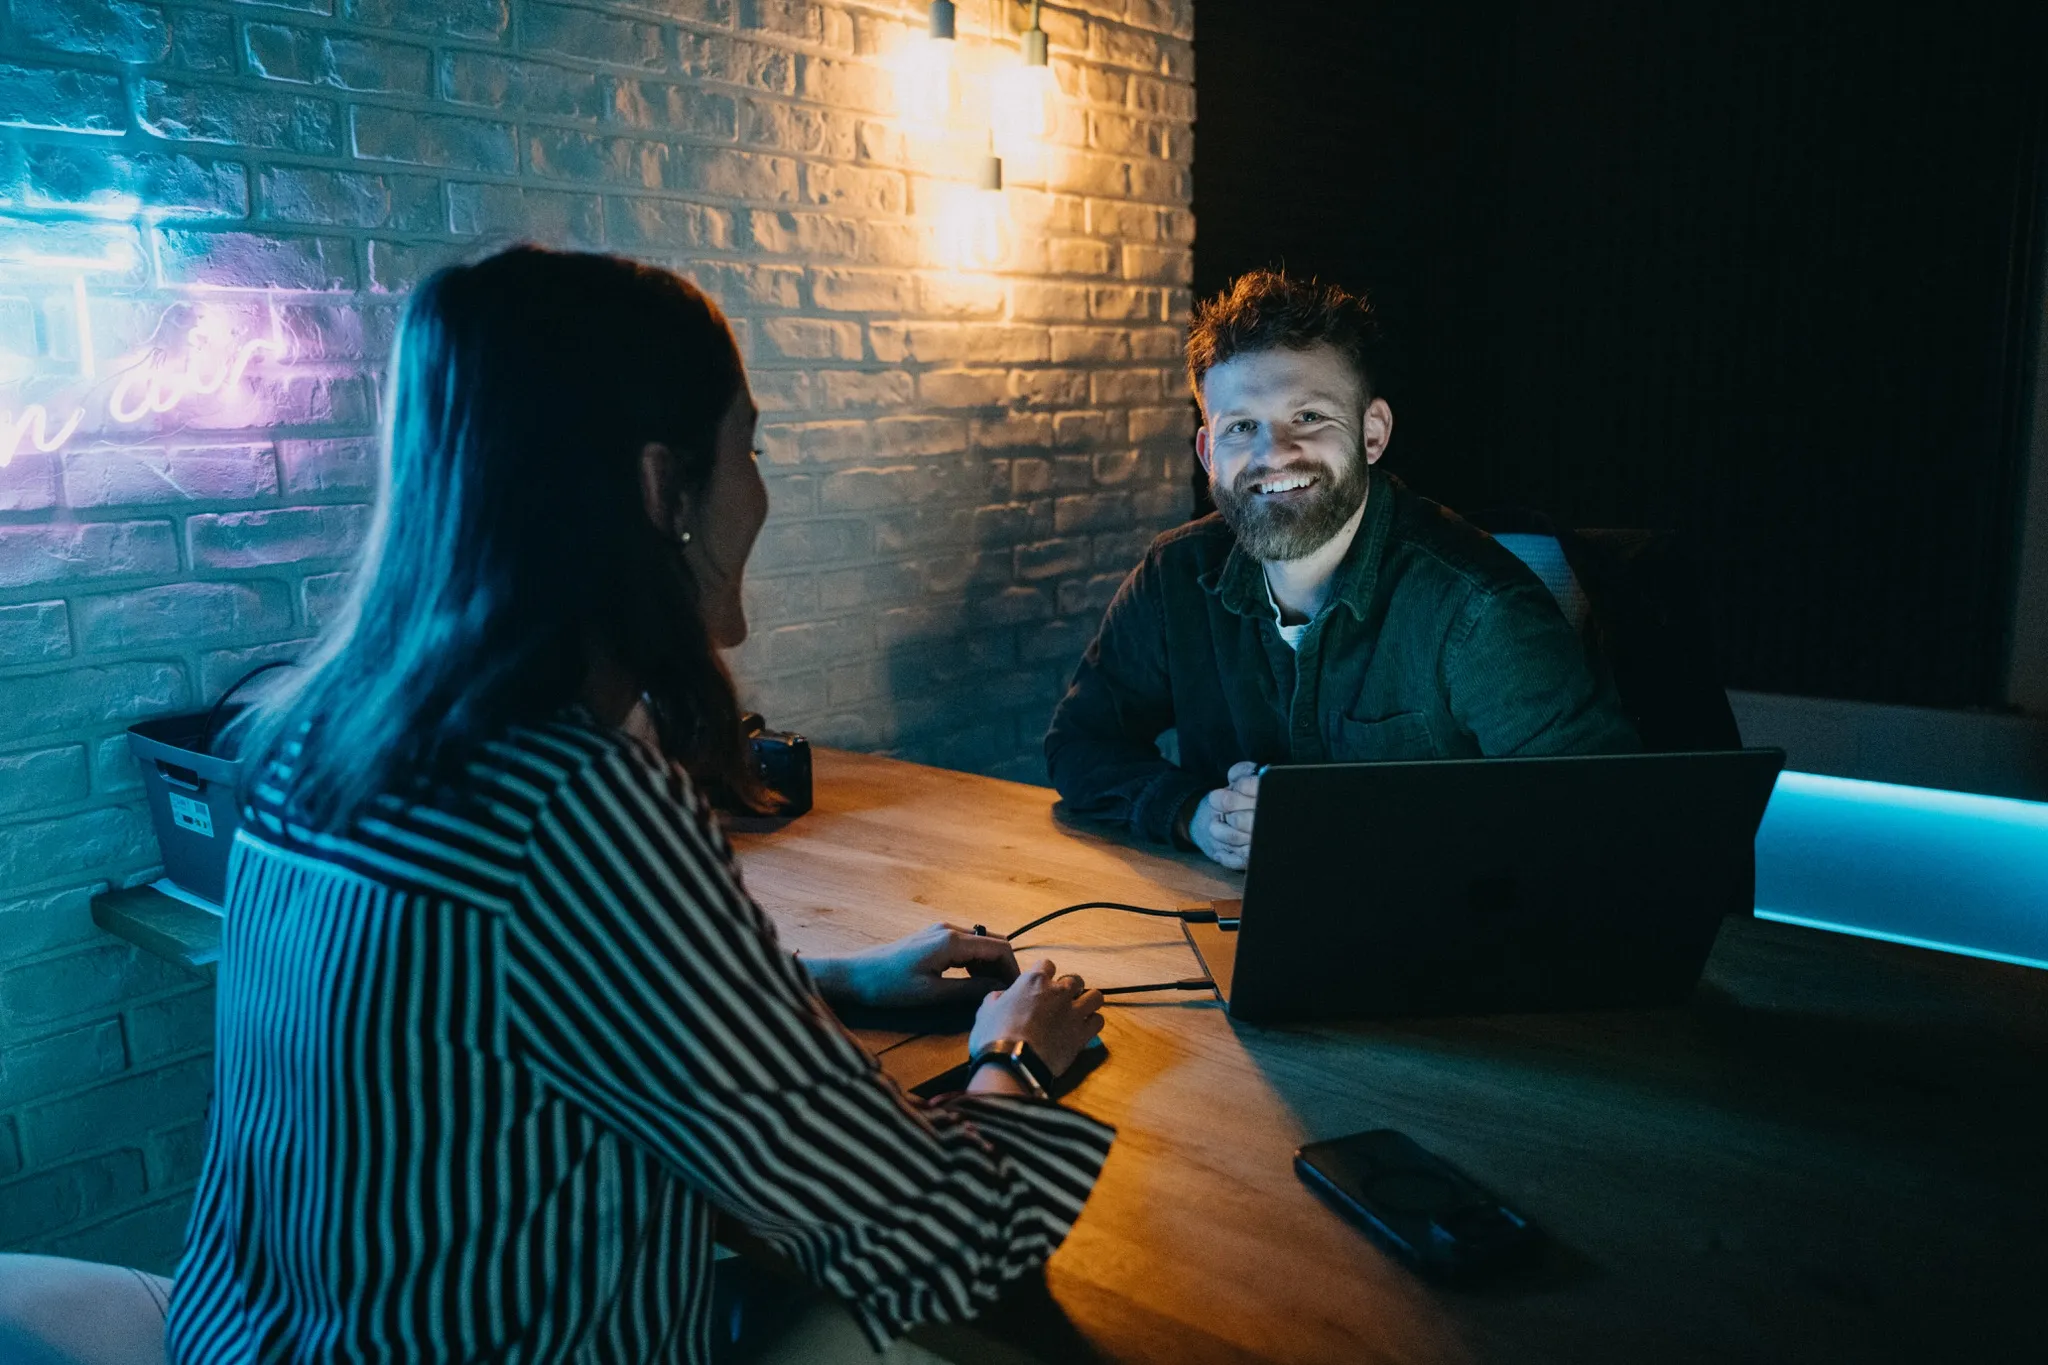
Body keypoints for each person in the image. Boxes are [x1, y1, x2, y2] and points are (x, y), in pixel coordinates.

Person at [151, 247, 1113, 1363]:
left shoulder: (302, 736)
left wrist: (833, 981)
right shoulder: (571, 803)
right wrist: (1015, 1060)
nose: (761, 489)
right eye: (747, 447)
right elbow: (937, 1239)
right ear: (664, 490)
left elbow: (474, 1003)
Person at [1045, 270, 1638, 871]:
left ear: (1372, 431)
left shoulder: (1479, 609)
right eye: (1242, 427)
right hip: (1228, 926)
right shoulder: (1173, 576)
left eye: (1308, 417)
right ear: (1207, 454)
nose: (1273, 453)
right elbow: (1079, 741)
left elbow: (1603, 819)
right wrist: (1193, 813)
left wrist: (1342, 827)